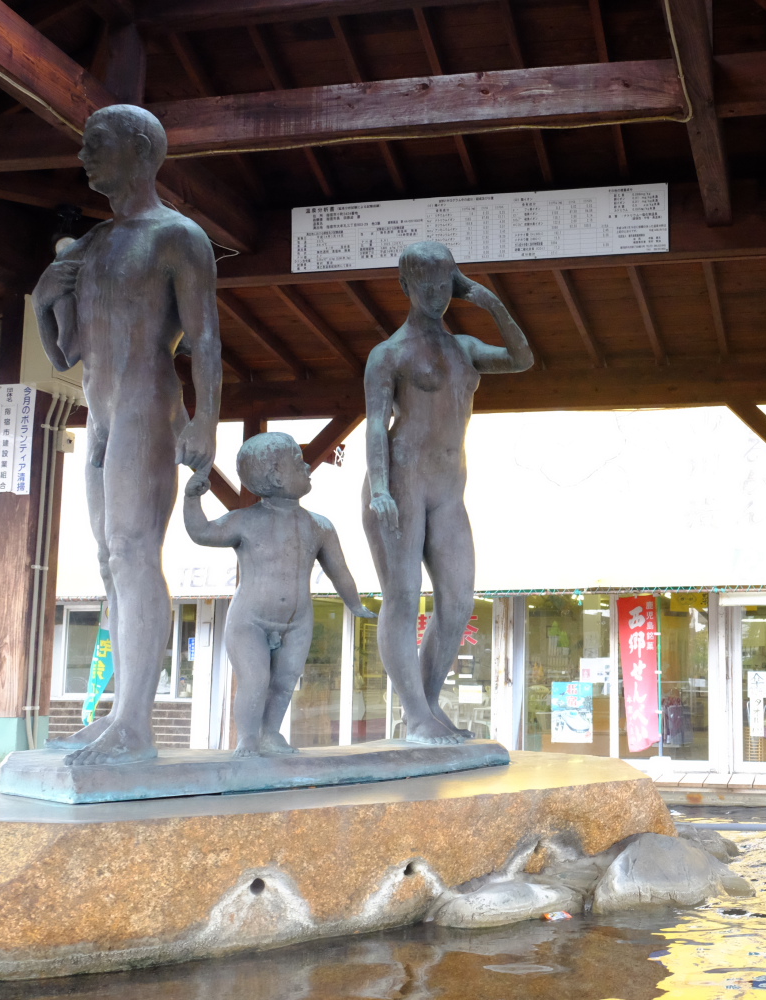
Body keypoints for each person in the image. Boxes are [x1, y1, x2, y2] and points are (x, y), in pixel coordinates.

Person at [36, 105, 221, 766]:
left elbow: (204, 338)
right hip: (101, 412)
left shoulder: (178, 237)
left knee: (134, 549)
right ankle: (119, 714)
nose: (83, 156)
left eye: (97, 143)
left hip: (147, 402)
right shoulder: (91, 244)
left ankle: (135, 721)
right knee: (108, 558)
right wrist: (43, 298)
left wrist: (206, 419)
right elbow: (65, 353)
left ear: (141, 149)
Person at [362, 241, 534, 745]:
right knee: (402, 596)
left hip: (449, 489)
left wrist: (488, 300)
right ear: (406, 285)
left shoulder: (465, 348)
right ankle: (416, 715)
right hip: (401, 480)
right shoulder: (389, 354)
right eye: (426, 284)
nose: (436, 294)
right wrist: (379, 487)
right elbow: (375, 424)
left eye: (444, 284)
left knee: (458, 601)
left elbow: (521, 359)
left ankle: (429, 704)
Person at [183, 433, 375, 757]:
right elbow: (202, 532)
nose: (307, 467)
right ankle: (247, 738)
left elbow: (339, 570)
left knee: (285, 681)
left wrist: (354, 602)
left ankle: (270, 733)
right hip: (250, 620)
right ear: (276, 476)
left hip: (298, 621)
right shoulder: (245, 520)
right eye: (298, 463)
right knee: (255, 680)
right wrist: (192, 499)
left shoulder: (319, 526)